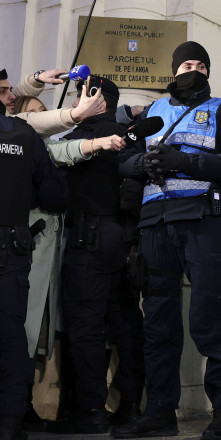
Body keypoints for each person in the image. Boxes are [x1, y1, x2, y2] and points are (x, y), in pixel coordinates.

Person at [113, 41, 221, 440]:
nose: (193, 70)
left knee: (212, 319)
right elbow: (121, 159)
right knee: (158, 325)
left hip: (200, 221)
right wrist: (143, 162)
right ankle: (160, 413)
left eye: (200, 65)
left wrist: (184, 160)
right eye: (187, 64)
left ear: (207, 72)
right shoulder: (152, 113)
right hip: (154, 224)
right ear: (174, 71)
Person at [44, 76, 134, 434]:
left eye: (80, 95)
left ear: (97, 99)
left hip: (89, 240)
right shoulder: (127, 134)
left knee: (84, 329)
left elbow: (47, 153)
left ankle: (90, 410)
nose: (75, 103)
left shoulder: (83, 137)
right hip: (122, 241)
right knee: (124, 328)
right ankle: (130, 407)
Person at [0, 105, 68, 440]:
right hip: (9, 247)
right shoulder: (23, 135)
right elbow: (55, 195)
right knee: (11, 335)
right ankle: (9, 421)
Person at [1, 68, 104, 137]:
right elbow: (26, 121)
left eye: (42, 111)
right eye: (2, 92)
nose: (12, 96)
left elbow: (19, 94)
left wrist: (37, 78)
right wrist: (74, 114)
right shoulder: (11, 123)